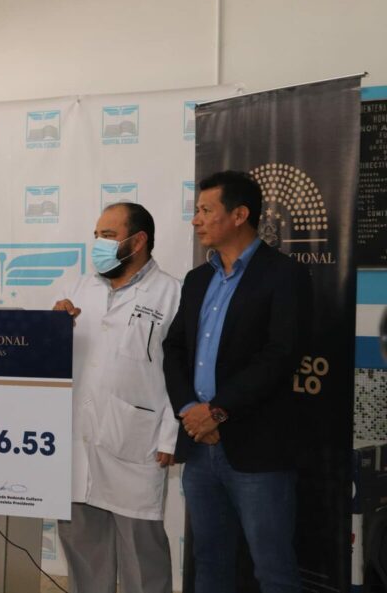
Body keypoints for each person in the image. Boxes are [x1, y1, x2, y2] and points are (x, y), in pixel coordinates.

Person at [163, 171, 312, 593]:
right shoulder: (197, 279)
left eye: (206, 210)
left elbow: (281, 355)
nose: (196, 220)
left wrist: (217, 411)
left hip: (257, 448)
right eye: (196, 210)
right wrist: (189, 410)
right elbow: (174, 349)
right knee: (209, 563)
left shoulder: (284, 275)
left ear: (239, 215)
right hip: (199, 446)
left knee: (273, 570)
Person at [52, 202, 179, 593]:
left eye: (108, 236)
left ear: (137, 241)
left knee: (143, 557)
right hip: (78, 439)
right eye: (96, 235)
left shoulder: (171, 293)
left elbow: (182, 371)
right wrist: (53, 326)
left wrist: (170, 435)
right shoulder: (77, 288)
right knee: (84, 551)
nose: (98, 244)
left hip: (137, 441)